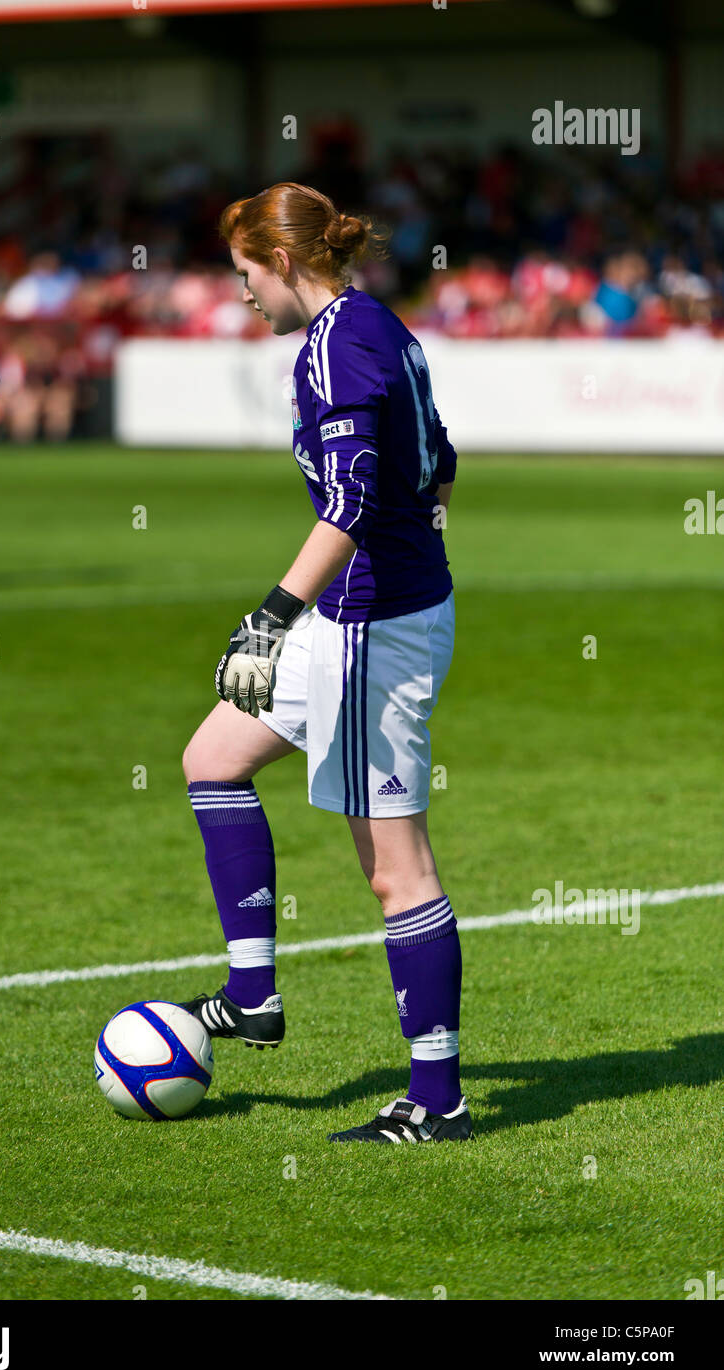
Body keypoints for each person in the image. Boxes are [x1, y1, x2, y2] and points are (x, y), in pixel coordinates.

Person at [179, 182, 472, 1146]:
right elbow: (442, 462)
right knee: (212, 758)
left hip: (372, 625)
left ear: (284, 260)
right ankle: (252, 993)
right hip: (364, 612)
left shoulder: (339, 343)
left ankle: (437, 1103)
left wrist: (270, 619)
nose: (243, 294)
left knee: (397, 871)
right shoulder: (376, 324)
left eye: (245, 274)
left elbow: (347, 504)